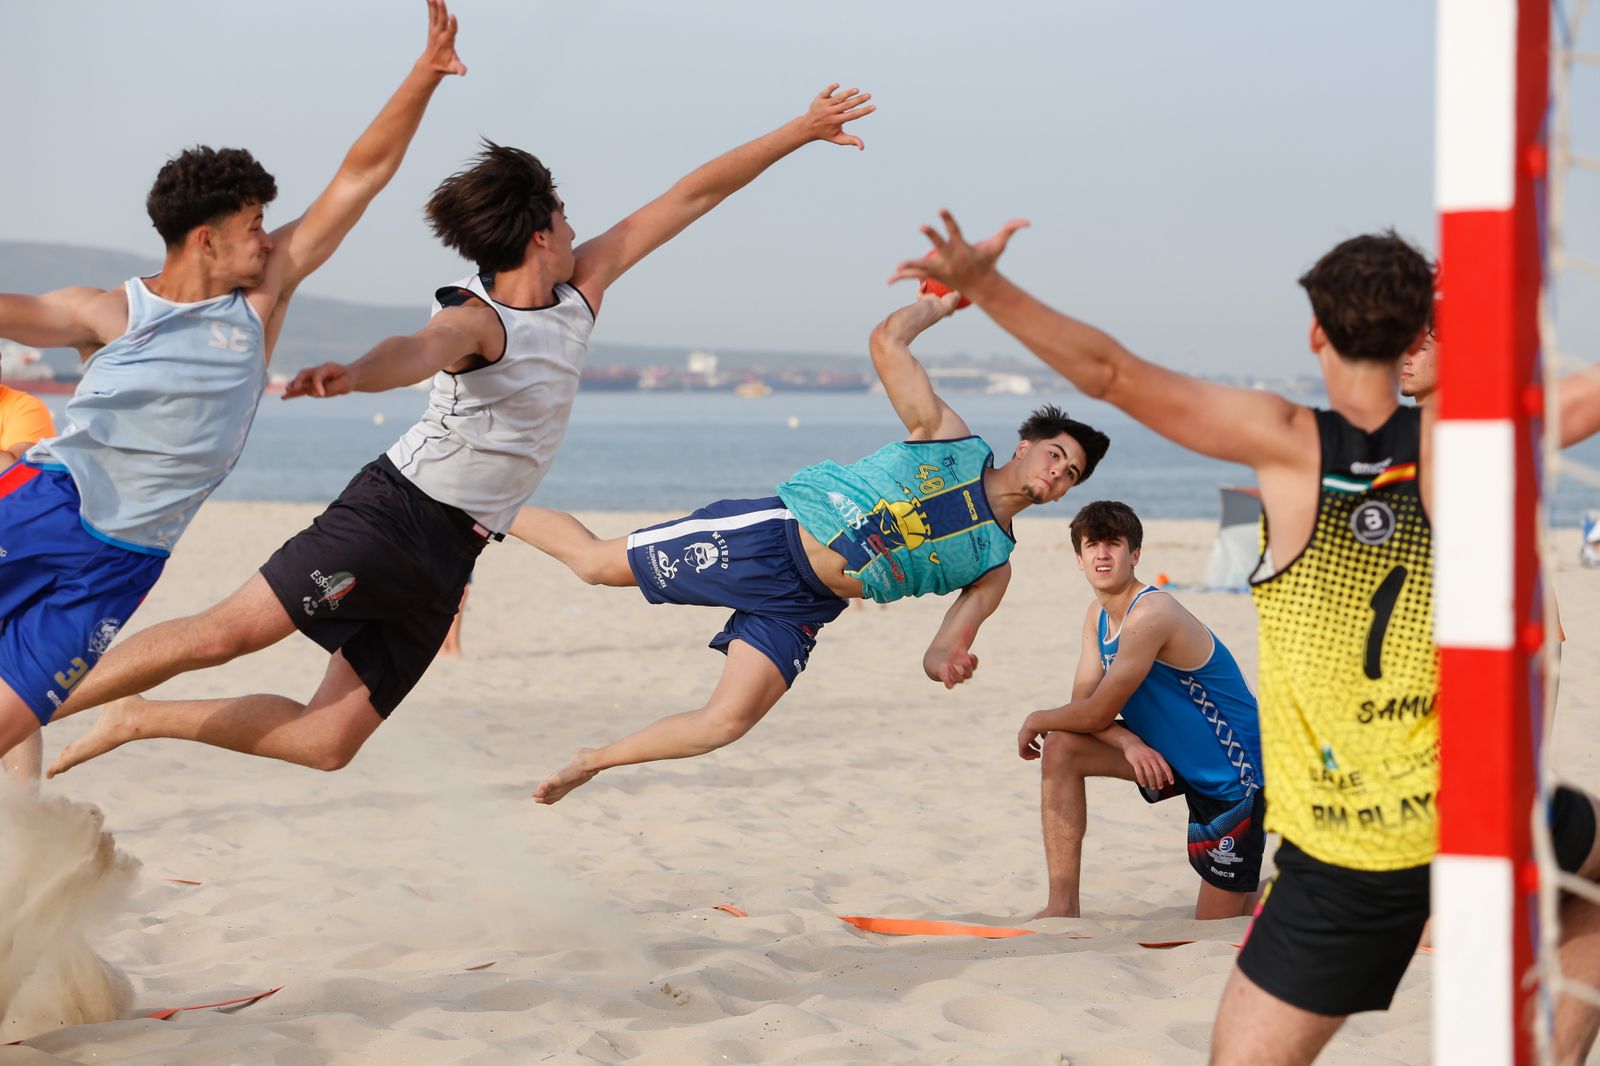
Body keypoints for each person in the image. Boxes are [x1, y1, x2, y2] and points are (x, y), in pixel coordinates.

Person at [897, 218, 1600, 1064]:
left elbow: (1111, 372)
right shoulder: (1492, 445)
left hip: (1347, 836)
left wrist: (989, 287)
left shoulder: (1290, 441)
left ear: (1317, 335)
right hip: (1462, 811)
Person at [43, 83, 876, 779]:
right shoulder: (478, 318)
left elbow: (691, 196)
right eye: (564, 214)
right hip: (392, 516)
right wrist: (356, 374)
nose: (576, 227)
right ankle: (28, 700)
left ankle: (136, 717)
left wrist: (799, 131)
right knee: (226, 634)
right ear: (541, 232)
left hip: (454, 550)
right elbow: (417, 350)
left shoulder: (582, 287)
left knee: (327, 743)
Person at [0, 0, 466, 769]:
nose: (266, 239)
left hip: (122, 565)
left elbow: (360, 177)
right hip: (46, 505)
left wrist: (425, 75)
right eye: (253, 226)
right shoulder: (110, 312)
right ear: (206, 239)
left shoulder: (260, 300)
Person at [511, 292, 1110, 805]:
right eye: (1055, 455)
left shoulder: (994, 566)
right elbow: (887, 342)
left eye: (1071, 475)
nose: (1058, 472)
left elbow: (939, 651)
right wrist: (939, 303)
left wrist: (948, 665)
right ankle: (480, 505)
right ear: (1026, 444)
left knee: (725, 722)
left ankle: (592, 760)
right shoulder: (948, 439)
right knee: (594, 564)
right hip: (769, 539)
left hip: (804, 605)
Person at [1017, 500, 1264, 921]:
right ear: (1078, 558)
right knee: (1061, 748)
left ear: (1134, 555)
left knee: (1218, 923)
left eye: (1113, 544)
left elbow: (1094, 714)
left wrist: (1035, 719)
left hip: (1232, 772)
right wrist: (1128, 742)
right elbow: (1083, 708)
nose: (1102, 554)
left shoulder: (1153, 613)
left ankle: (1300, 893)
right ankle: (1062, 906)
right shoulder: (1097, 616)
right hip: (1171, 756)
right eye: (1092, 545)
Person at [0, 377, 56, 783]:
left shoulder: (22, 407)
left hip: (12, 551)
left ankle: (23, 805)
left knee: (10, 680)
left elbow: (19, 471)